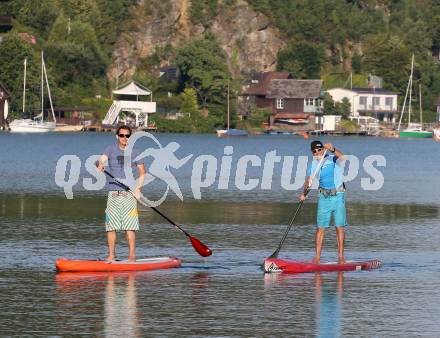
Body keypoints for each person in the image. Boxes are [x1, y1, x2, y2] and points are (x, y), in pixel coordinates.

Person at [97, 126, 145, 261]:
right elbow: (101, 160)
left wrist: (138, 190)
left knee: (130, 227)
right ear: (117, 136)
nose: (124, 138)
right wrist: (100, 164)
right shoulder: (110, 149)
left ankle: (132, 256)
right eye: (122, 135)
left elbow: (142, 173)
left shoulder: (135, 152)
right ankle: (112, 255)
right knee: (111, 226)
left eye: (127, 136)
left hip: (129, 195)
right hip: (113, 194)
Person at [300, 140, 347, 264]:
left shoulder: (333, 158)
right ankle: (317, 258)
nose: (317, 153)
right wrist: (304, 194)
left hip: (338, 195)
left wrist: (332, 149)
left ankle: (341, 257)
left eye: (319, 150)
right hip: (324, 197)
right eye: (314, 151)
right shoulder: (314, 165)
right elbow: (309, 181)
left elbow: (343, 157)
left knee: (339, 227)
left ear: (323, 149)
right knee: (320, 228)